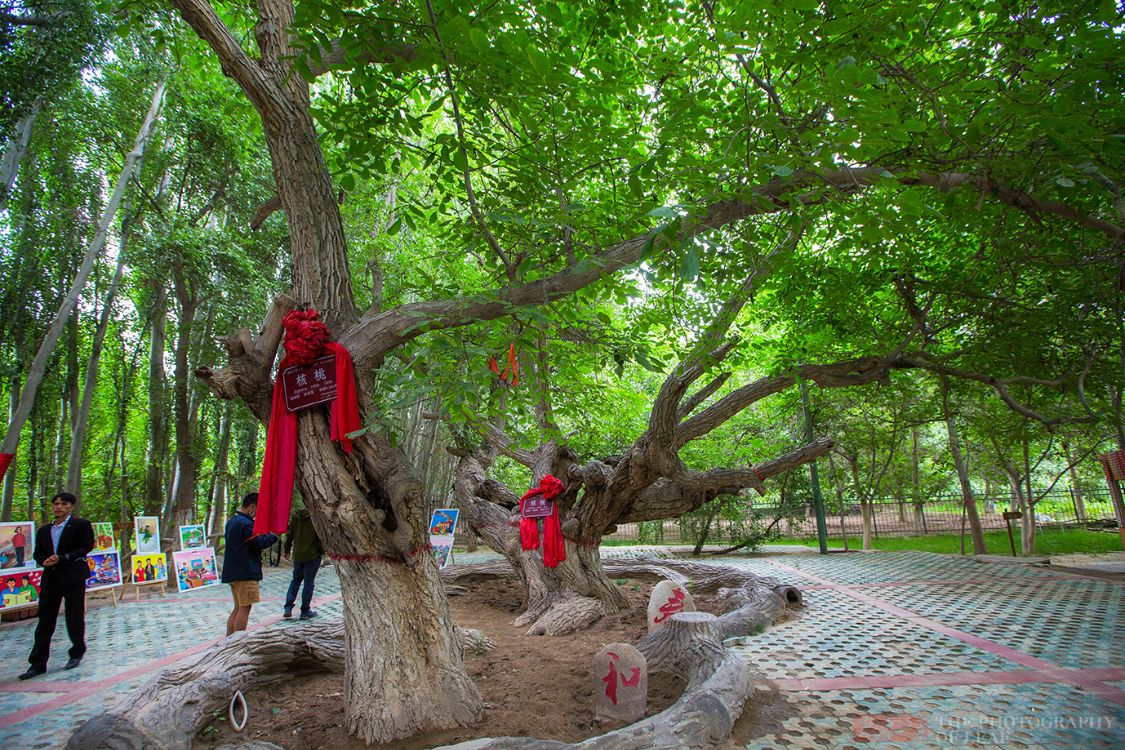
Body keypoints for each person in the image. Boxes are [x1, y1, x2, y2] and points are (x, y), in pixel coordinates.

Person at [19, 492, 95, 680]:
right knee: (45, 620)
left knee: (74, 616)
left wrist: (63, 558)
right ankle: (37, 663)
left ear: (71, 506)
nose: (58, 507)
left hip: (72, 576)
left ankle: (77, 651)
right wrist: (44, 560)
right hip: (51, 578)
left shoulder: (80, 525)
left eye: (63, 504)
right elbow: (38, 554)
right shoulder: (44, 530)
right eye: (56, 504)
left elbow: (86, 546)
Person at [221, 493, 278, 636]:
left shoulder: (233, 521)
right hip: (245, 572)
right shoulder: (245, 524)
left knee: (238, 607)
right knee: (244, 608)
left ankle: (229, 641)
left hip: (233, 572)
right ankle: (237, 641)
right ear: (252, 506)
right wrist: (274, 536)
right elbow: (259, 543)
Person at [282, 506, 323, 620]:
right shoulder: (316, 516)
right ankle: (305, 611)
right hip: (312, 554)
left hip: (297, 555)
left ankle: (288, 607)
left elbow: (290, 534)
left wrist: (287, 549)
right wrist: (321, 551)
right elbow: (320, 535)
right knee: (308, 583)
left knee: (295, 580)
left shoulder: (296, 516)